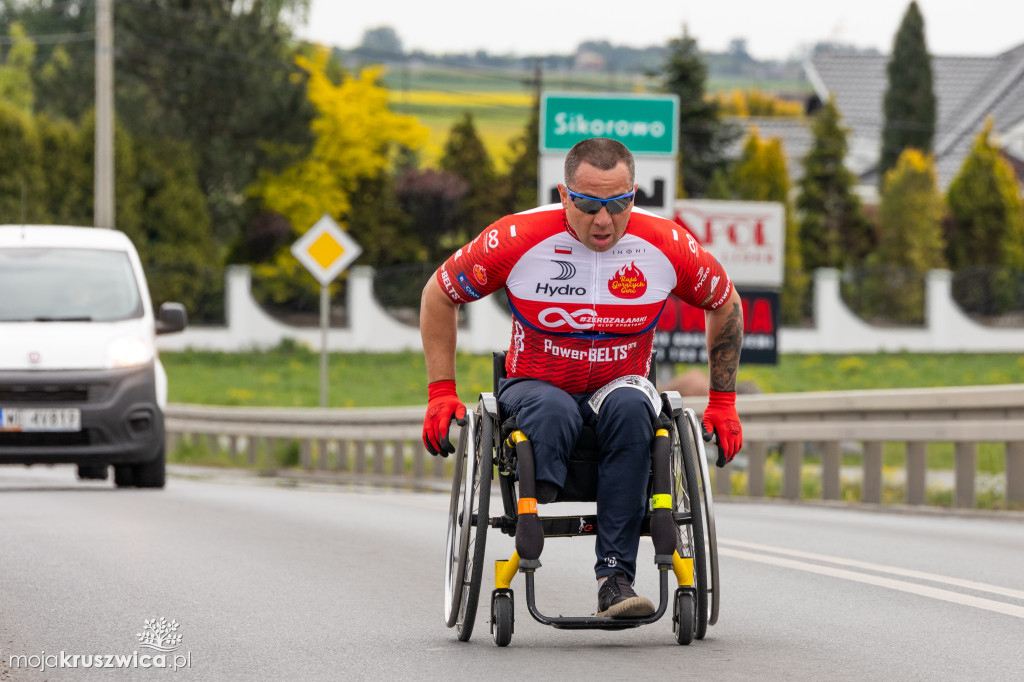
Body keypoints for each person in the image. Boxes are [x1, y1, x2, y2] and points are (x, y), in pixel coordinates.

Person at [420, 137, 743, 618]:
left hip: (619, 387)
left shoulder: (665, 243)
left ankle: (615, 579)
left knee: (636, 408)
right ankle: (539, 493)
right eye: (589, 204)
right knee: (552, 410)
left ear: (634, 196)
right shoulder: (517, 238)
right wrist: (441, 391)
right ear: (564, 194)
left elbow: (726, 302)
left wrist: (722, 401)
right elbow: (439, 294)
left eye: (618, 204)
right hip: (536, 386)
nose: (603, 220)